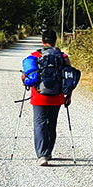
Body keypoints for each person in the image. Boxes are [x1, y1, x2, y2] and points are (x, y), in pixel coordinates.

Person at [23, 29, 72, 166]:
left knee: (40, 124)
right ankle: (49, 152)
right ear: (55, 41)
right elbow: (69, 77)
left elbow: (28, 76)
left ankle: (42, 155)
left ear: (43, 41)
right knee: (52, 124)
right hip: (57, 96)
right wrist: (68, 96)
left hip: (39, 96)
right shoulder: (63, 57)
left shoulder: (34, 56)